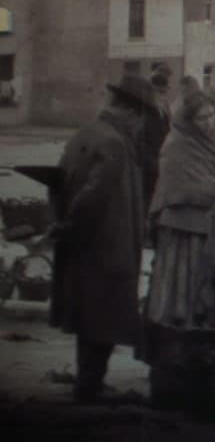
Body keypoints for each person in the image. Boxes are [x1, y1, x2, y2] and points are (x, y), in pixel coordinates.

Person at [51, 74, 156, 403]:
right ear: (131, 112)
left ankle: (88, 381)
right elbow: (93, 193)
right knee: (105, 319)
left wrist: (64, 225)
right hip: (108, 248)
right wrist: (73, 224)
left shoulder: (86, 133)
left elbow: (59, 183)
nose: (141, 127)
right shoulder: (114, 142)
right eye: (142, 119)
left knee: (90, 318)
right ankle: (89, 386)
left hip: (88, 247)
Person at [143, 90, 215, 383]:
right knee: (180, 295)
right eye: (202, 117)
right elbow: (180, 188)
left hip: (210, 233)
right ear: (188, 120)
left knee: (205, 295)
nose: (209, 122)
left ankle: (204, 361)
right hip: (183, 232)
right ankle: (174, 361)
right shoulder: (176, 146)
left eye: (212, 115)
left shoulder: (211, 145)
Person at [140, 71, 172, 211]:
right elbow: (141, 144)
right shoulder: (144, 113)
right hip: (148, 170)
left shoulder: (164, 111)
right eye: (158, 92)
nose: (161, 96)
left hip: (161, 166)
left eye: (164, 92)